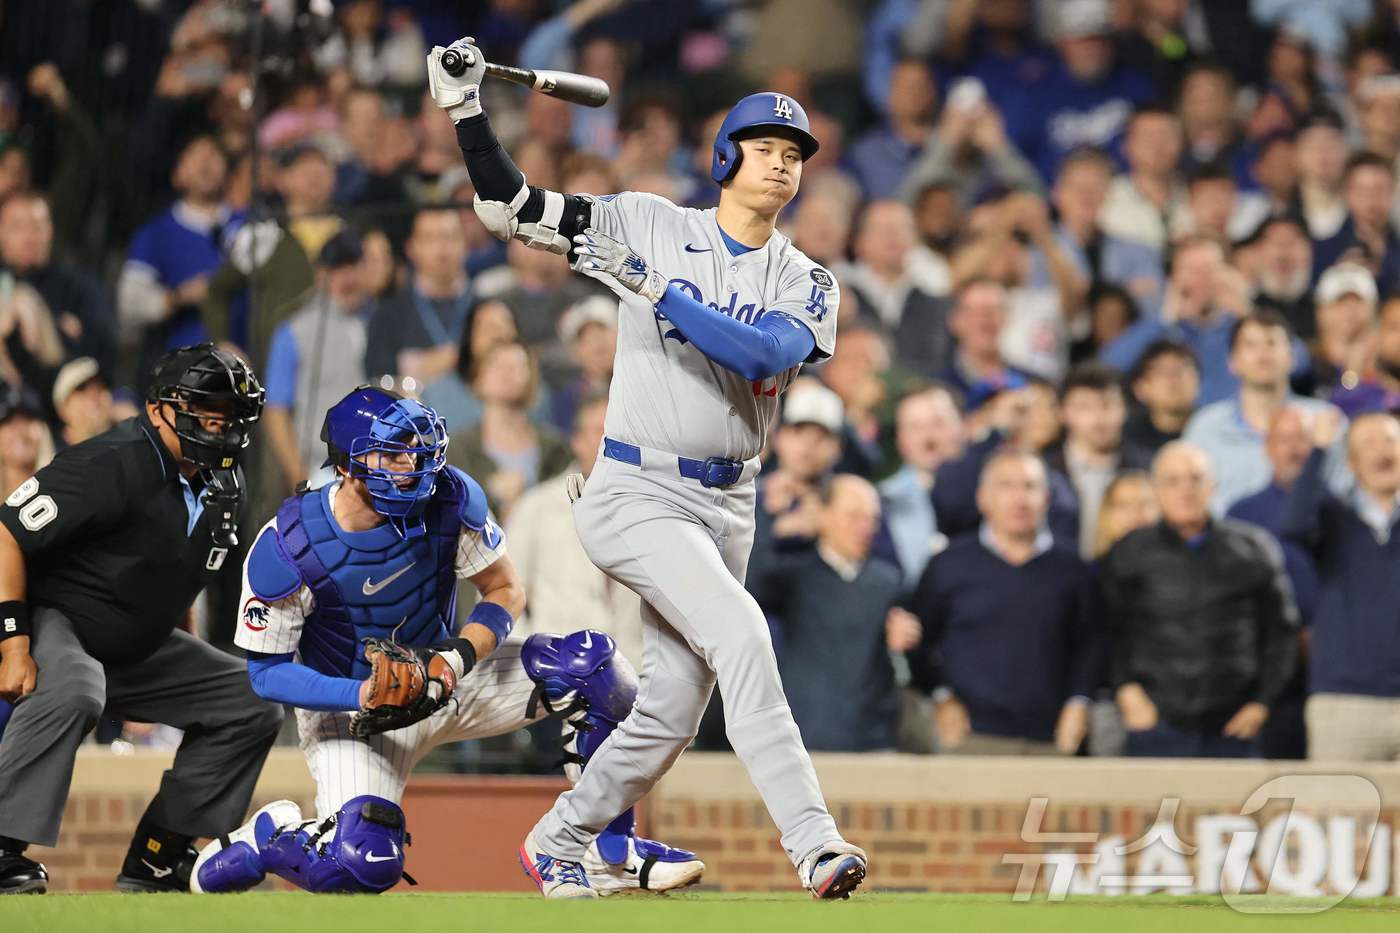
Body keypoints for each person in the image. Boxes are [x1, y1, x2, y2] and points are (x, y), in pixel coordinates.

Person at [430, 39, 865, 898]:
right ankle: (815, 842)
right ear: (724, 158)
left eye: (794, 156)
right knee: (741, 633)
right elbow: (509, 205)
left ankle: (560, 836)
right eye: (766, 149)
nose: (781, 165)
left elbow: (760, 352)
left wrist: (654, 289)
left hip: (729, 501)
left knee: (671, 710)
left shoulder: (807, 280)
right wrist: (466, 110)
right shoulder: (650, 220)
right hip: (634, 487)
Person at [190, 387, 701, 896]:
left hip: (445, 678)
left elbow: (505, 590)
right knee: (360, 865)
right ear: (347, 465)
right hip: (354, 713)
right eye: (392, 453)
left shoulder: (449, 497)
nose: (410, 465)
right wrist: (362, 695)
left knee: (595, 666)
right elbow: (266, 673)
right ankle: (270, 837)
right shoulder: (288, 544)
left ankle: (611, 855)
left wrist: (454, 659)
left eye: (415, 450)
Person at [0, 345, 281, 894]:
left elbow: (178, 574)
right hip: (54, 617)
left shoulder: (227, 488)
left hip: (132, 637)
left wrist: (183, 668)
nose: (217, 425)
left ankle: (159, 856)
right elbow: (6, 532)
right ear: (158, 409)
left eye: (227, 414)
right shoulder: (110, 460)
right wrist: (13, 643)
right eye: (205, 411)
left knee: (252, 701)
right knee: (78, 688)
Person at [1100, 442, 1299, 758]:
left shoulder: (1253, 549)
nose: (1185, 490)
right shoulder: (1129, 552)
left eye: (1195, 479)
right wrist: (1125, 689)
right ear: (1156, 490)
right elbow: (1106, 630)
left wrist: (1262, 703)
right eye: (1173, 481)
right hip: (1154, 724)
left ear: (1212, 486)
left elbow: (1282, 634)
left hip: (1234, 727)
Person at [907, 450, 1100, 756]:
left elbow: (1092, 644)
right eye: (1006, 486)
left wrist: (1079, 701)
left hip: (1054, 740)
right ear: (983, 498)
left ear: (1047, 498)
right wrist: (941, 696)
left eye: (1030, 486)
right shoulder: (948, 565)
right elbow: (917, 641)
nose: (1019, 499)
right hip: (970, 738)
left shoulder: (1074, 569)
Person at [1284, 410, 1400, 761]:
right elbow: (1294, 522)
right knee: (1338, 813)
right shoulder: (1335, 522)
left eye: (1391, 440)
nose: (1382, 450)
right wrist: (1318, 449)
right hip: (1344, 702)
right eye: (1368, 443)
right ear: (1350, 462)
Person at [508, 394, 641, 664]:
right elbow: (503, 592)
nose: (607, 440)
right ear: (577, 442)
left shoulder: (652, 512)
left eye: (615, 431)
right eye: (598, 431)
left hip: (636, 673)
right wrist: (528, 665)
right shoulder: (537, 506)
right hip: (556, 675)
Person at [1226, 406, 1320, 760]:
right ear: (1266, 447)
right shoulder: (1242, 515)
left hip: (1330, 668)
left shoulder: (1339, 510)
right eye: (1284, 440)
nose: (1295, 449)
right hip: (1266, 674)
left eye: (1304, 439)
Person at [1182, 310, 1340, 513]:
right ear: (1232, 362)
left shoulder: (1325, 420)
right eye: (1250, 345)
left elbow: (1345, 497)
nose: (1263, 354)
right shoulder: (1205, 428)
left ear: (1292, 358)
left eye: (1271, 343)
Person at [262, 231, 374, 492]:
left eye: (353, 266)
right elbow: (276, 412)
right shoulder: (294, 331)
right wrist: (299, 476)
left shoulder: (381, 319)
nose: (348, 278)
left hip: (382, 465)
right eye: (338, 269)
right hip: (323, 468)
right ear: (321, 274)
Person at [445, 340, 570, 518]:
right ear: (477, 378)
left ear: (531, 377)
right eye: (496, 364)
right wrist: (493, 497)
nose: (507, 372)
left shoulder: (556, 447)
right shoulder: (458, 449)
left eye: (517, 366)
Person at [1050, 362, 1152, 557]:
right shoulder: (1043, 473)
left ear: (1125, 409)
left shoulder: (1148, 468)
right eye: (1084, 407)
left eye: (1107, 405)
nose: (1098, 418)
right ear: (1062, 413)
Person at [363, 207, 471, 387]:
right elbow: (378, 381)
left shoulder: (486, 308)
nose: (442, 247)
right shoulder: (388, 315)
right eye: (431, 238)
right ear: (412, 248)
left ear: (465, 244)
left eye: (450, 236)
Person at [878, 385, 964, 588]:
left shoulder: (996, 489)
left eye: (938, 424)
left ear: (961, 426)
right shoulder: (882, 502)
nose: (928, 438)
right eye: (915, 427)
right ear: (900, 439)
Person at [1123, 340, 1200, 454]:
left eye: (1181, 369)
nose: (1173, 380)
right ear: (1140, 388)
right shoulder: (1125, 438)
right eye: (1163, 371)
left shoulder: (1214, 429)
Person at [51, 357, 115, 450]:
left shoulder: (132, 449)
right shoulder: (52, 458)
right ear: (63, 411)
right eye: (82, 389)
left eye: (101, 387)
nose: (94, 395)